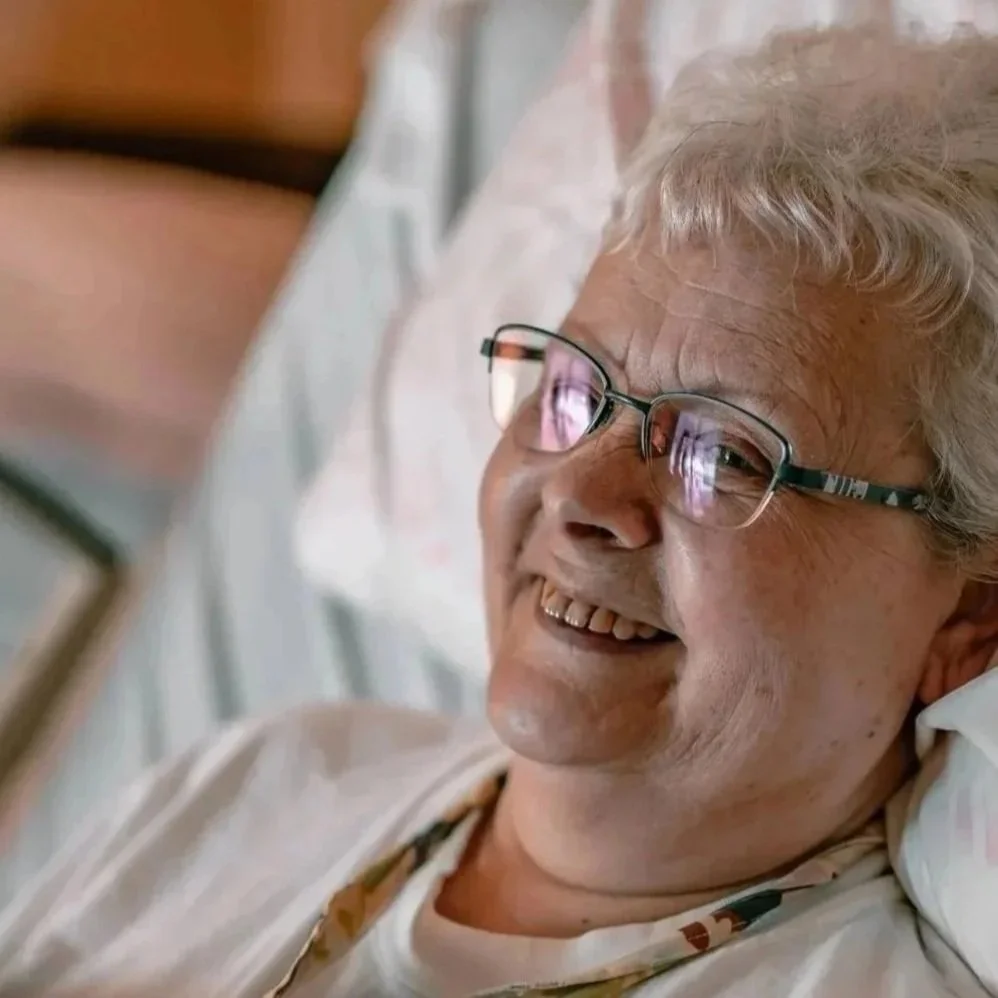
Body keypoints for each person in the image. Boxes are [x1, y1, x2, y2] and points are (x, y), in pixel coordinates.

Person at [2, 21, 998, 998]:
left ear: (969, 613)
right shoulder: (260, 787)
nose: (578, 492)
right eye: (572, 389)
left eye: (723, 452)